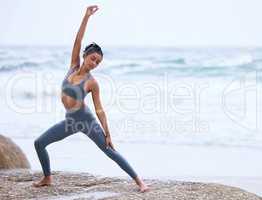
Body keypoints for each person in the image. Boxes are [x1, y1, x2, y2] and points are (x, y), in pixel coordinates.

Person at [32, 5, 149, 193]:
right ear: (85, 55)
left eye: (98, 62)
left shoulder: (92, 83)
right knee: (39, 143)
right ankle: (47, 177)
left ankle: (140, 182)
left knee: (109, 151)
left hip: (86, 122)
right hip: (70, 122)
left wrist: (108, 133)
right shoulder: (72, 66)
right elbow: (78, 40)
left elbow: (99, 109)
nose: (94, 64)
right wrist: (86, 17)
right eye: (93, 58)